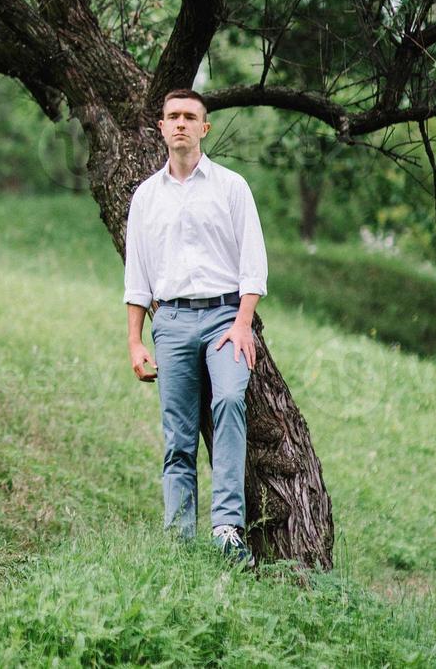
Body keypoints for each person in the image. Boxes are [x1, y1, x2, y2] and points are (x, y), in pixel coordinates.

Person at [123, 88, 267, 567]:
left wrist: (244, 322)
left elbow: (253, 264)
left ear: (204, 128)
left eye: (190, 117)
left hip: (226, 318)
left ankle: (227, 528)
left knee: (228, 398)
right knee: (178, 436)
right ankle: (178, 540)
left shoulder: (231, 187)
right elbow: (137, 276)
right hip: (172, 322)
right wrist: (134, 341)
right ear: (161, 128)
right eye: (172, 117)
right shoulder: (145, 197)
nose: (180, 123)